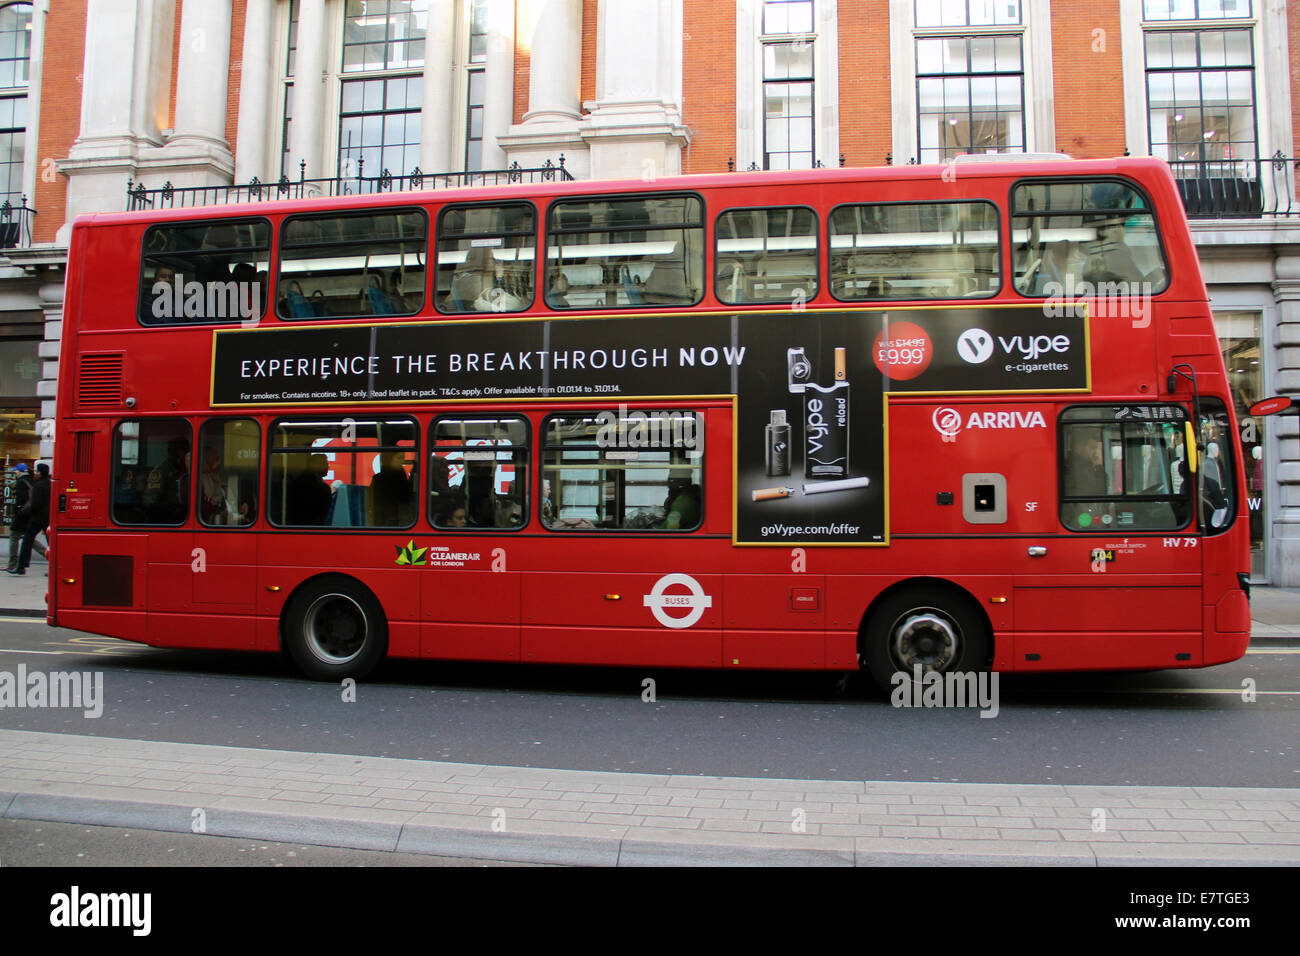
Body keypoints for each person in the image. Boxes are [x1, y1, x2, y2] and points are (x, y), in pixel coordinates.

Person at [12, 463, 50, 575]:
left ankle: (21, 567)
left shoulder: (38, 485)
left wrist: (26, 512)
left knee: (27, 541)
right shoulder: (51, 484)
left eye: (36, 471)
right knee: (52, 544)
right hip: (48, 518)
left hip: (37, 518)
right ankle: (54, 566)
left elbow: (35, 504)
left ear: (40, 472)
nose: (35, 473)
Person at [146, 438, 190, 523]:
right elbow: (149, 499)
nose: (183, 455)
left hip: (184, 513)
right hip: (168, 518)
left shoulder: (188, 469)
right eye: (180, 451)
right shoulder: (160, 471)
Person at [369, 451, 414, 526]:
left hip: (401, 520)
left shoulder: (402, 476)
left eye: (403, 458)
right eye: (399, 458)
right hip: (386, 521)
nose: (402, 461)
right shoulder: (379, 479)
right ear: (389, 460)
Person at [1064, 433, 1108, 498]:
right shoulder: (1078, 467)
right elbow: (1099, 490)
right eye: (1092, 448)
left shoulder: (1081, 465)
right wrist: (1098, 465)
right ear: (1079, 447)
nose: (1095, 452)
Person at [6, 462, 32, 571]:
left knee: (14, 536)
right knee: (29, 538)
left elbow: (21, 499)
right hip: (30, 514)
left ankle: (12, 563)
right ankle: (48, 555)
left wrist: (18, 511)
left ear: (21, 471)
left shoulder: (21, 482)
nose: (15, 472)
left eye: (16, 470)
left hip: (22, 515)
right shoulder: (31, 480)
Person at [199, 446, 229, 525]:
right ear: (209, 460)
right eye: (216, 459)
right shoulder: (202, 479)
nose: (219, 463)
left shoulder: (216, 476)